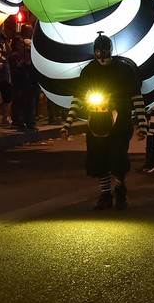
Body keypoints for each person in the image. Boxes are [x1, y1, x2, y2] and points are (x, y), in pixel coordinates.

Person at [61, 33, 146, 210]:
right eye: (98, 53)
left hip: (120, 120)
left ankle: (120, 189)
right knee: (98, 158)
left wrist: (142, 123)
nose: (102, 58)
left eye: (104, 53)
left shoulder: (124, 70)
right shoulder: (90, 70)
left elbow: (136, 96)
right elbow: (78, 96)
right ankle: (105, 193)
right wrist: (67, 123)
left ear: (110, 51)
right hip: (96, 121)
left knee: (118, 157)